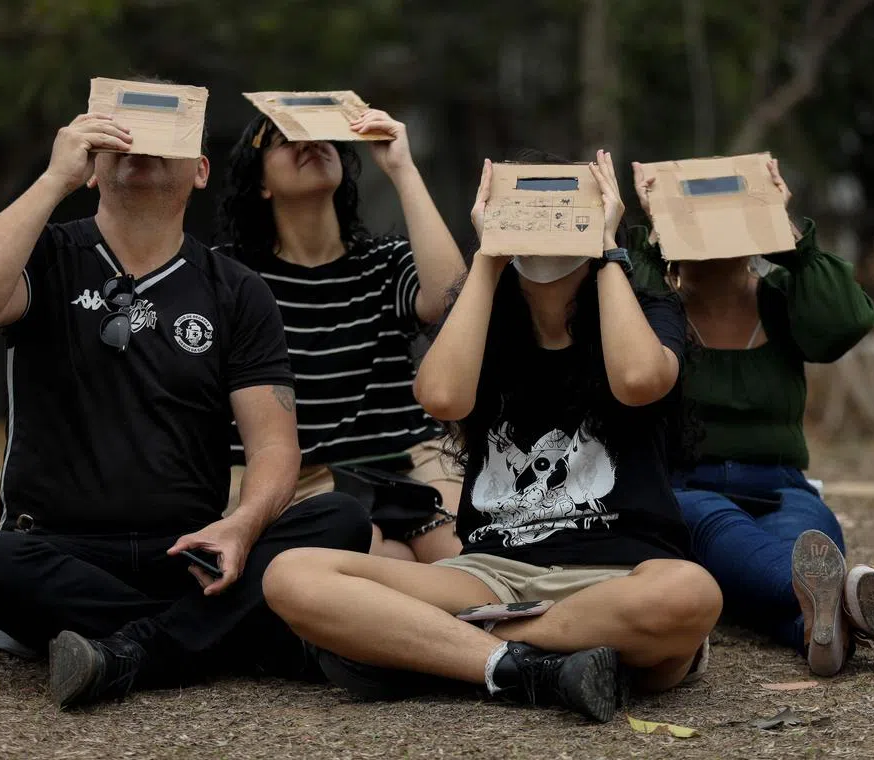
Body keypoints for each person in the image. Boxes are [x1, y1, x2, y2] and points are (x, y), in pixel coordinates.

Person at [260, 152, 723, 724]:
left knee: (691, 593)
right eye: (521, 207)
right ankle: (533, 667)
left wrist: (605, 251)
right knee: (291, 573)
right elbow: (441, 398)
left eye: (565, 205)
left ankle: (458, 650)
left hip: (621, 576)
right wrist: (486, 258)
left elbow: (637, 381)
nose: (543, 221)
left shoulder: (647, 308)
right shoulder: (484, 319)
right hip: (491, 574)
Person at [0, 106, 372, 709]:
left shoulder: (236, 289)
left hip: (189, 552)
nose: (138, 144)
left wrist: (240, 529)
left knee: (340, 518)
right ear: (92, 168)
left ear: (199, 169)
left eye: (164, 135)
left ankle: (133, 649)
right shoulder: (45, 255)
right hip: (61, 549)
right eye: (121, 134)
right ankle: (233, 636)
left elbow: (273, 446)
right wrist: (51, 179)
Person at [629, 158, 874, 677]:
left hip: (781, 485)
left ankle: (819, 626)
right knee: (719, 531)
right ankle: (839, 604)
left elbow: (847, 323)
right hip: (685, 489)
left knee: (805, 536)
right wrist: (656, 230)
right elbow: (618, 315)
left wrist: (789, 235)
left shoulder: (784, 302)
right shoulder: (654, 308)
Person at [216, 109, 468, 563]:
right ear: (260, 184)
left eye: (318, 136)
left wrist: (401, 167)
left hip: (408, 458)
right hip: (293, 475)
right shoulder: (228, 275)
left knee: (463, 555)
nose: (308, 143)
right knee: (378, 558)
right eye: (285, 138)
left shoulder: (384, 261)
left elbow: (450, 300)